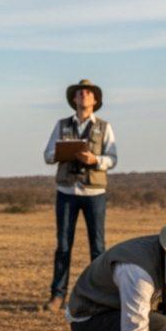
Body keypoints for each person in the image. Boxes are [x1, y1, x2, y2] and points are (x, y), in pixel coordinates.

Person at [41, 79, 118, 311]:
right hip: (67, 191)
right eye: (79, 93)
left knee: (97, 247)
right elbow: (47, 155)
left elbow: (113, 158)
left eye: (88, 92)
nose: (83, 95)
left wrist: (95, 160)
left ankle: (99, 296)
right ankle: (57, 296)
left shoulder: (105, 127)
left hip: (94, 193)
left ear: (95, 100)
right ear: (73, 99)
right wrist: (61, 154)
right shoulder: (62, 125)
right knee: (63, 246)